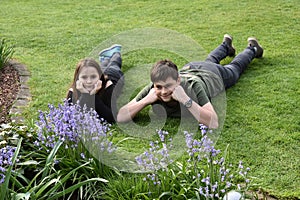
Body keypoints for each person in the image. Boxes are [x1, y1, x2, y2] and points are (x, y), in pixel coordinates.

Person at [117, 34, 264, 128]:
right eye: (159, 87)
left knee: (234, 68)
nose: (163, 91)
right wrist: (144, 101)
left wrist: (186, 100)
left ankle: (252, 49)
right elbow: (120, 116)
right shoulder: (153, 89)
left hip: (212, 74)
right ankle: (226, 46)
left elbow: (213, 122)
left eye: (168, 86)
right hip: (191, 67)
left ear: (178, 80)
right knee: (210, 59)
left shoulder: (193, 87)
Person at [67, 44, 124, 123]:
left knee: (114, 64)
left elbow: (111, 117)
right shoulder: (73, 92)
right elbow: (74, 117)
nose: (89, 81)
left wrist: (94, 97)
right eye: (84, 77)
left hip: (114, 76)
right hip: (100, 73)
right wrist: (85, 94)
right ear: (78, 78)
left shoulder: (108, 85)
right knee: (103, 66)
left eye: (93, 77)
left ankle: (116, 52)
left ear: (99, 76)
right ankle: (105, 58)